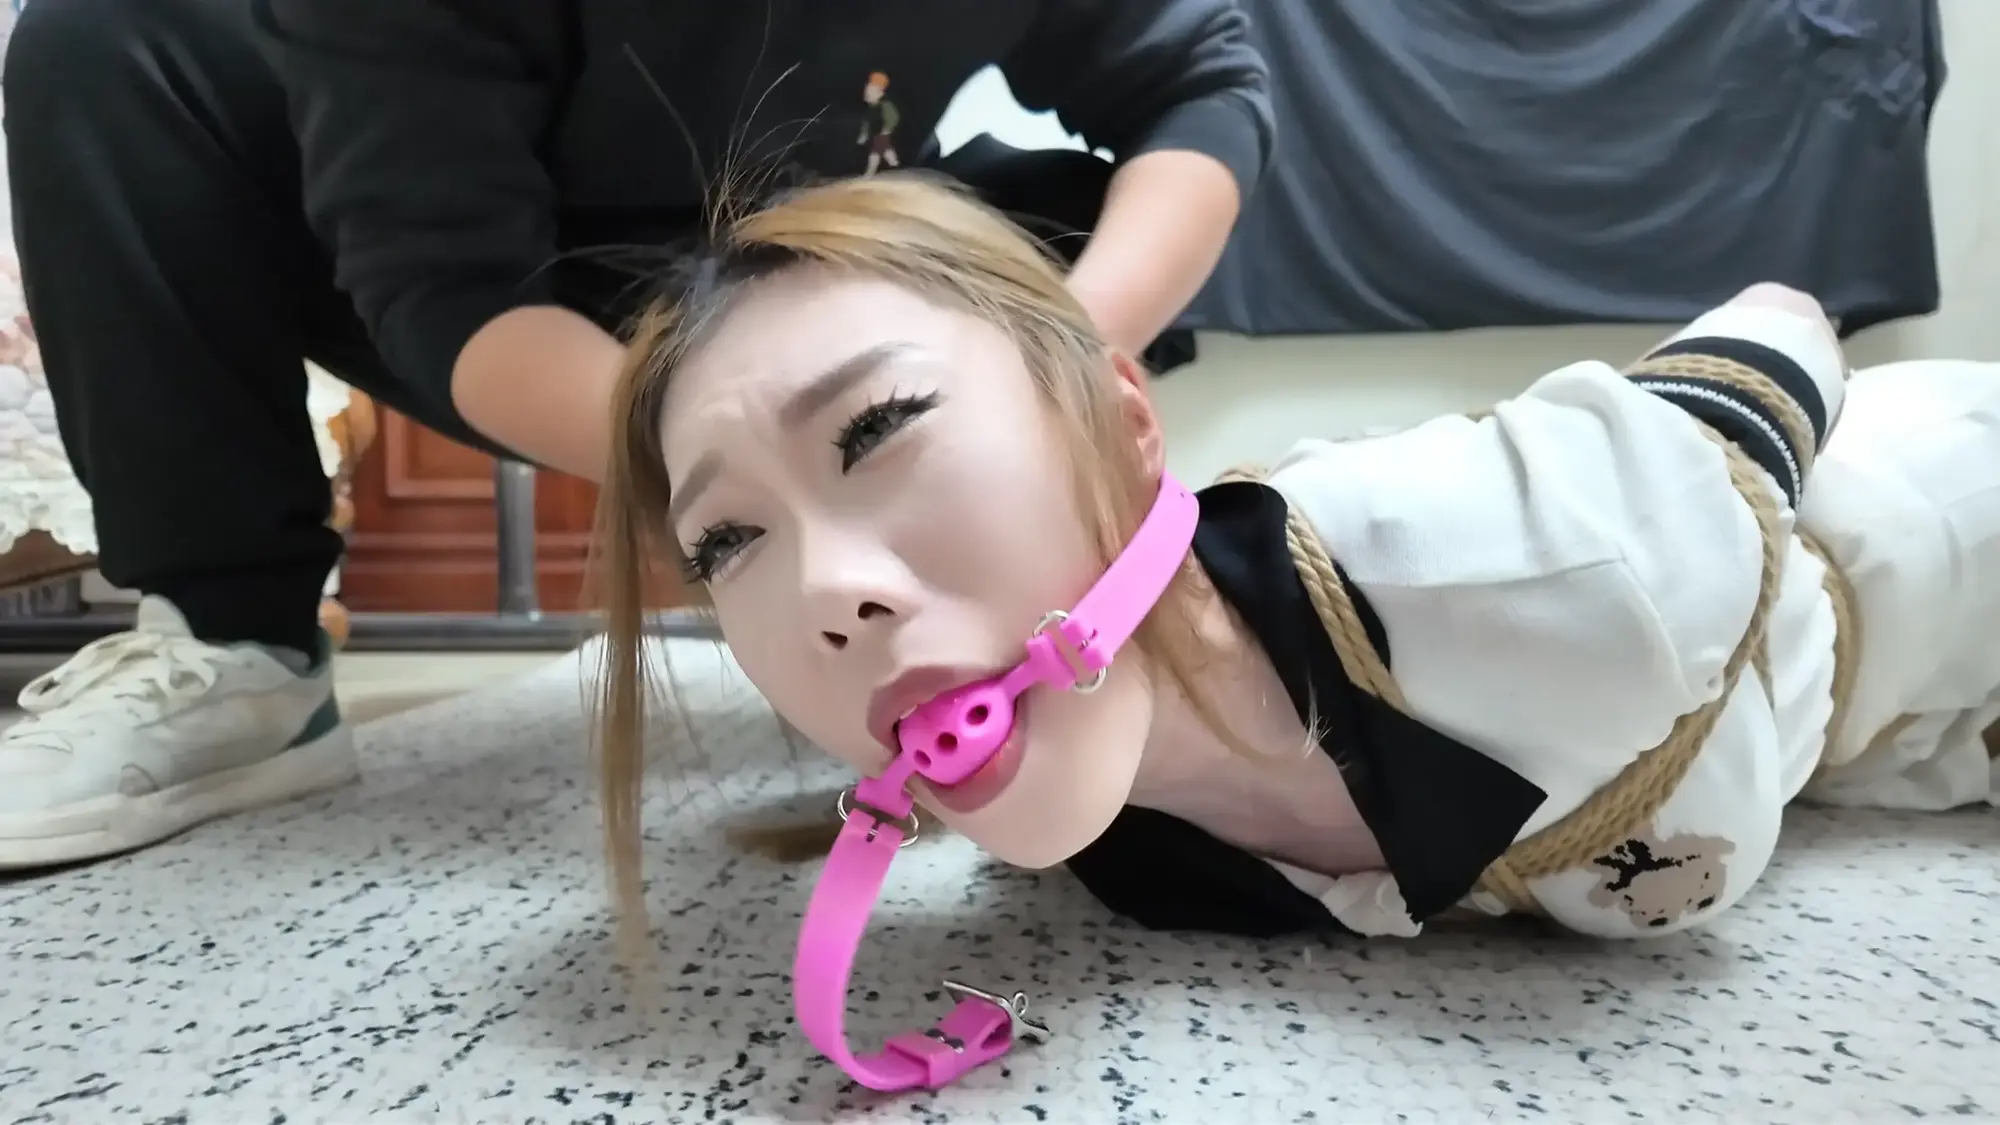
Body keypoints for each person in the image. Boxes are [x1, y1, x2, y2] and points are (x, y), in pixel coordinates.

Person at [591, 173, 1998, 964]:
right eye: (726, 542)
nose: (823, 594)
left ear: (1121, 421)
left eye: (878, 427)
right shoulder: (1116, 864)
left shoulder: (1560, 555)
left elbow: (1783, 319)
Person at [0, 0, 1273, 868]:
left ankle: (1083, 570)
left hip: (829, 257)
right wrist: (748, 476)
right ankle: (232, 647)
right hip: (528, 295)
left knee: (1048, 229)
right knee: (108, 37)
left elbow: (1198, 82)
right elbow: (444, 286)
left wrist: (1050, 360)